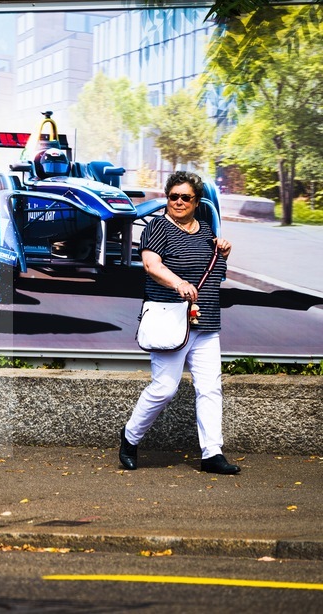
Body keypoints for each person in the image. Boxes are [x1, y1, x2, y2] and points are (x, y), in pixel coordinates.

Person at [120, 170, 239, 475]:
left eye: (186, 197)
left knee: (210, 389)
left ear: (196, 201)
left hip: (206, 321)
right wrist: (178, 284)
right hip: (171, 320)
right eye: (173, 196)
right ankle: (130, 437)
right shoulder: (158, 227)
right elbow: (151, 264)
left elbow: (214, 273)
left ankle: (212, 453)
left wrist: (222, 251)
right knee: (165, 388)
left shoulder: (205, 231)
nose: (178, 202)